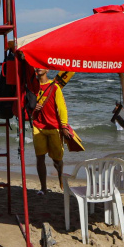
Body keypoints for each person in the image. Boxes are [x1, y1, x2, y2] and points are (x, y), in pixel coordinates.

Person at [29, 67, 73, 195]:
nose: (38, 68)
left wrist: (64, 126)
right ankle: (43, 188)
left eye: (41, 67)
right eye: (36, 67)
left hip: (54, 127)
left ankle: (60, 175)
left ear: (47, 70)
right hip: (38, 126)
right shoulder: (32, 88)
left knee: (57, 160)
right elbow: (26, 105)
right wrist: (32, 107)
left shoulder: (55, 87)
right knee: (40, 158)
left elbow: (62, 108)